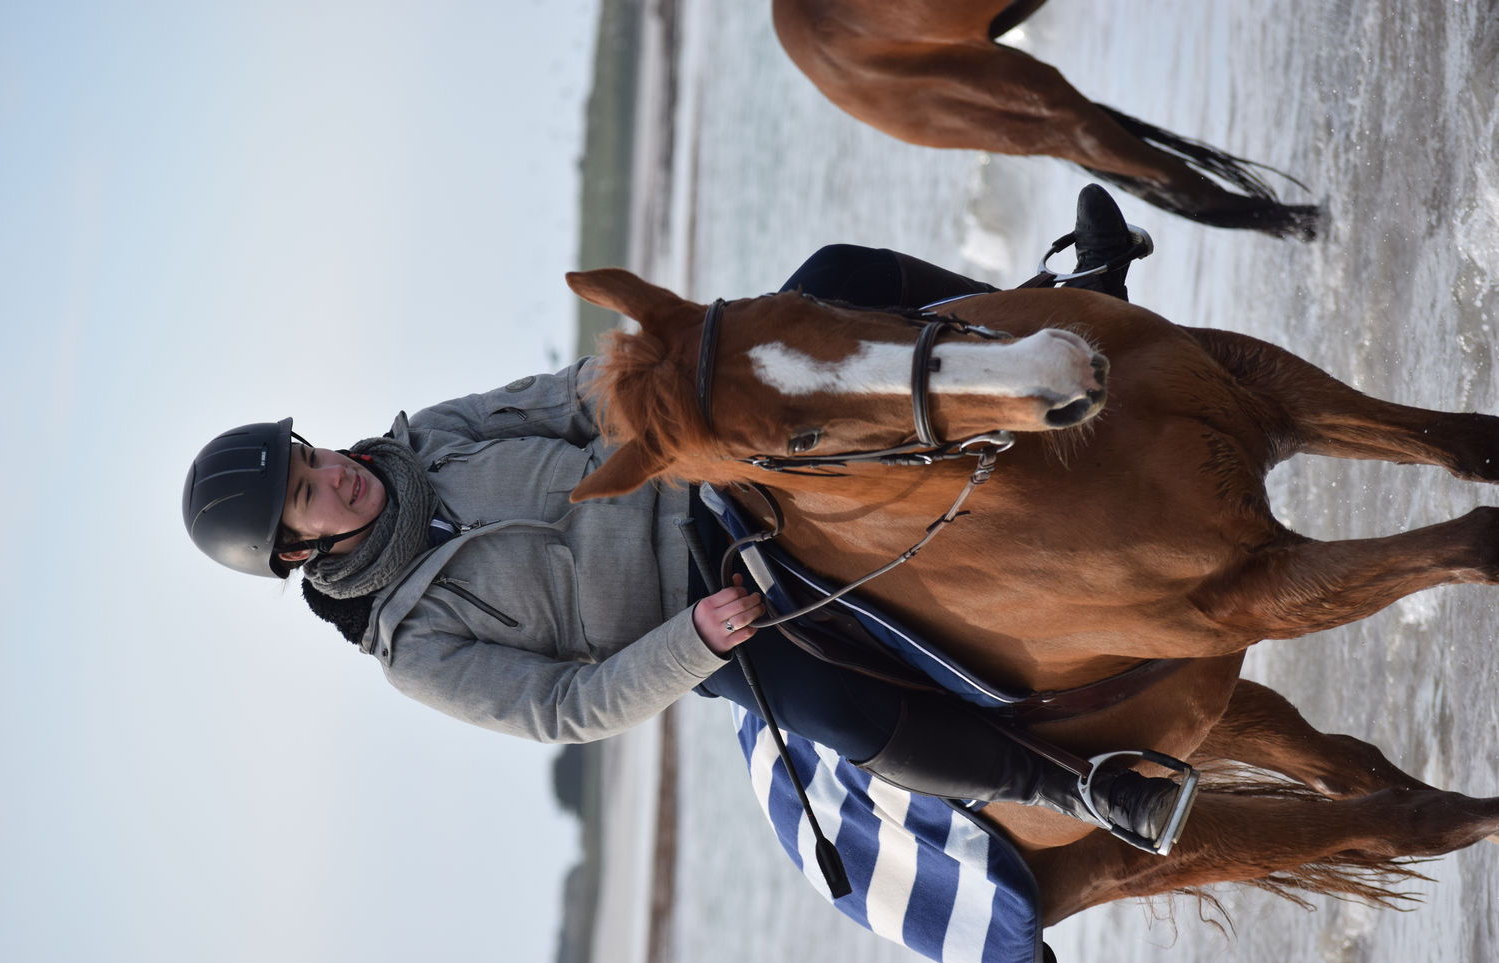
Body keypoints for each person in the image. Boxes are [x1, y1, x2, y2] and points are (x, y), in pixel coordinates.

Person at [182, 185, 1189, 853]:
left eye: (313, 455)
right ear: (297, 551)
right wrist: (693, 641)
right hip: (712, 607)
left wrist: (685, 369)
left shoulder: (429, 439)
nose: (337, 475)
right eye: (310, 492)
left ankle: (1056, 305)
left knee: (833, 278)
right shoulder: (415, 650)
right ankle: (1082, 787)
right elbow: (563, 707)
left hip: (709, 466)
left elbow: (578, 396)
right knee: (839, 715)